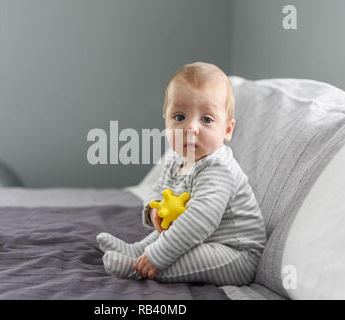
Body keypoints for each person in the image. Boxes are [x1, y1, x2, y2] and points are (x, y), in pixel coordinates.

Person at [96, 62, 267, 286]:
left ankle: (139, 268)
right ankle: (137, 250)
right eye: (179, 117)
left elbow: (199, 221)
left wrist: (157, 257)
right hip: (198, 237)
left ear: (227, 129)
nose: (190, 128)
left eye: (206, 119)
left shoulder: (218, 168)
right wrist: (153, 210)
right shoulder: (176, 160)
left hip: (235, 254)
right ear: (166, 120)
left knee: (182, 243)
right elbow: (158, 190)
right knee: (172, 228)